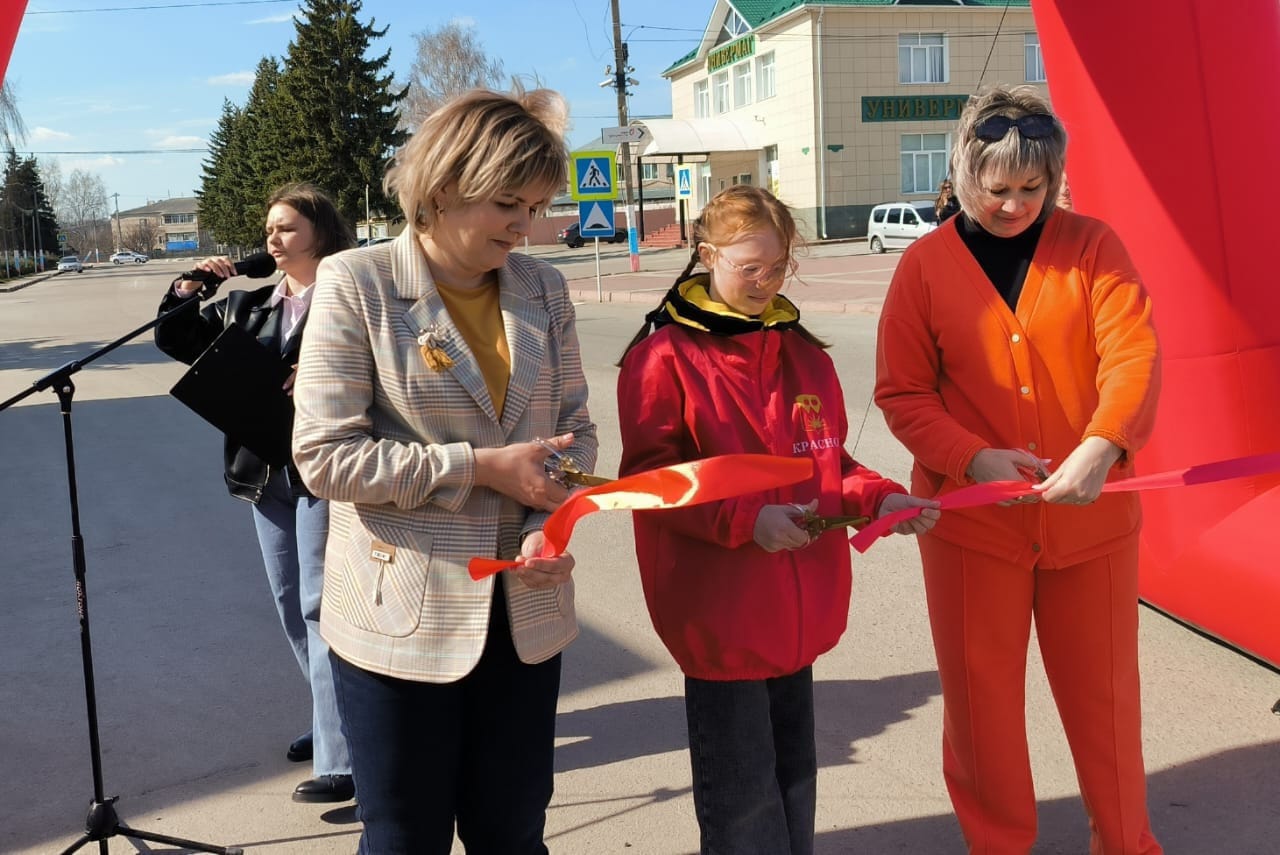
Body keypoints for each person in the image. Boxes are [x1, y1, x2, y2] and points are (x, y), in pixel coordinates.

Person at [290, 85, 597, 854]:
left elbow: (577, 435)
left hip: (524, 616)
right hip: (401, 618)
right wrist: (481, 467)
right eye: (507, 204)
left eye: (534, 206)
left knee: (513, 834)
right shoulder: (356, 283)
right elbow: (324, 456)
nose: (524, 227)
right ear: (445, 185)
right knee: (404, 839)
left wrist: (542, 524)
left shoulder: (544, 288)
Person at [874, 85, 1163, 855]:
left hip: (1090, 524)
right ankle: (999, 844)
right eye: (997, 188)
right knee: (982, 710)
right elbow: (902, 391)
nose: (1014, 205)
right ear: (964, 173)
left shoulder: (1095, 246)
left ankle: (1125, 841)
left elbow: (1132, 354)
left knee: (1106, 704)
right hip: (972, 530)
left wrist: (1104, 441)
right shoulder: (924, 266)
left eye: (1033, 188)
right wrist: (969, 455)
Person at [616, 184, 940, 855]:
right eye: (748, 268)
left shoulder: (802, 353)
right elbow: (650, 483)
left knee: (793, 783)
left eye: (778, 266)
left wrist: (880, 500)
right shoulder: (665, 357)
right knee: (742, 806)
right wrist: (744, 520)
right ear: (706, 255)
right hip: (723, 618)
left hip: (795, 617)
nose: (764, 282)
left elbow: (828, 464)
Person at [153, 182, 356, 803]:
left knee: (324, 609)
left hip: (325, 473)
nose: (272, 238)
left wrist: (324, 373)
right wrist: (189, 289)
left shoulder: (351, 301)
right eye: (269, 228)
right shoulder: (250, 306)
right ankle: (334, 719)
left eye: (286, 228)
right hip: (264, 472)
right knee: (292, 603)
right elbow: (176, 340)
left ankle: (343, 756)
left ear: (321, 233)